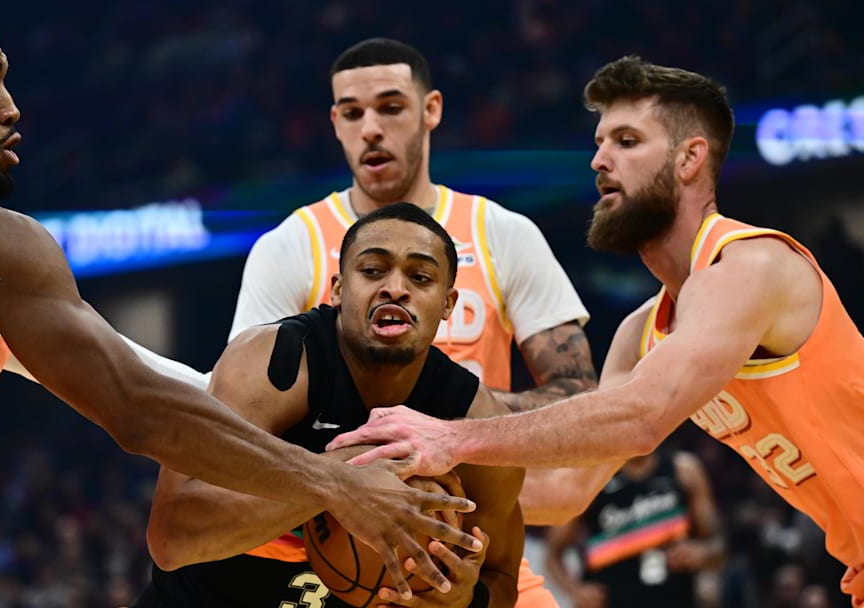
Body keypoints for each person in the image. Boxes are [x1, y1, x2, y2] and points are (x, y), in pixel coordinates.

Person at [0, 3, 478, 604]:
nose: (11, 106)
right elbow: (136, 407)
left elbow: (127, 367)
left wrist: (253, 410)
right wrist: (335, 481)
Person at [328, 55, 864, 606]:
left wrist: (450, 438)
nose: (599, 161)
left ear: (690, 159)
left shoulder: (749, 268)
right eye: (600, 142)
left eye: (627, 142)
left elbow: (641, 417)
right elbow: (567, 492)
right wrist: (376, 484)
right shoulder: (642, 331)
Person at [227, 36, 598, 607]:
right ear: (335, 123)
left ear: (431, 111)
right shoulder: (290, 246)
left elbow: (579, 398)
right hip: (320, 544)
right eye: (352, 113)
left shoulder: (503, 233)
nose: (370, 128)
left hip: (464, 526)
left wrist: (445, 425)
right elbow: (243, 428)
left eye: (391, 107)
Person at [138, 203, 525, 607]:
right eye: (373, 270)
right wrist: (341, 480)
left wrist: (469, 600)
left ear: (448, 304)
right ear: (338, 289)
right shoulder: (273, 366)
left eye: (420, 276)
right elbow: (170, 538)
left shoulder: (472, 420)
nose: (395, 287)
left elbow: (501, 575)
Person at [544, 448, 725, 608]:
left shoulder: (683, 469)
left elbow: (718, 546)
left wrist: (703, 554)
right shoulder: (591, 479)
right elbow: (552, 556)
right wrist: (575, 591)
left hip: (677, 597)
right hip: (612, 600)